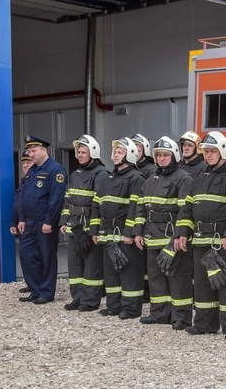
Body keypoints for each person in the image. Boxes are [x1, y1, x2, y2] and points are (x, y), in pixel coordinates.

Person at [175, 131, 226, 341]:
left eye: (212, 151)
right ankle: (204, 323)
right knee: (202, 284)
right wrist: (182, 233)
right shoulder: (198, 177)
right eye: (206, 151)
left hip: (224, 242)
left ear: (223, 151)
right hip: (200, 240)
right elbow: (187, 209)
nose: (208, 155)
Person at [133, 136, 194, 329]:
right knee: (156, 277)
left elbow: (186, 211)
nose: (161, 159)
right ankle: (159, 314)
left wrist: (180, 235)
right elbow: (141, 208)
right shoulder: (150, 180)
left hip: (171, 237)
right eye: (158, 155)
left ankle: (180, 318)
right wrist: (138, 232)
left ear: (174, 156)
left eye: (165, 155)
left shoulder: (184, 179)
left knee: (178, 278)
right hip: (152, 237)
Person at [90, 137, 146, 319]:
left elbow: (136, 207)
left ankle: (130, 309)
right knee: (111, 272)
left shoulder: (136, 178)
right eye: (114, 152)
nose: (115, 155)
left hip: (123, 234)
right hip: (107, 234)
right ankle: (114, 306)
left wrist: (130, 233)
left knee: (129, 272)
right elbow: (97, 204)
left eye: (120, 152)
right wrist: (95, 230)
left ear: (129, 155)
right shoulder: (108, 177)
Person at [60, 135, 109, 312]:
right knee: (74, 265)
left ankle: (90, 301)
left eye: (83, 152)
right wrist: (64, 221)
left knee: (92, 266)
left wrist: (92, 229)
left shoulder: (101, 174)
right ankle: (77, 298)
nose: (79, 155)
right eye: (78, 152)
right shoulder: (75, 174)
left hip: (89, 228)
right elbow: (68, 200)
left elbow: (99, 204)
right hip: (74, 227)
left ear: (93, 153)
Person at [17, 135, 68, 304]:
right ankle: (35, 289)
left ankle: (46, 293)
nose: (30, 154)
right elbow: (25, 196)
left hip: (44, 222)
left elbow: (56, 199)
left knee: (47, 257)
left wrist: (49, 221)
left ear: (44, 151)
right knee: (26, 254)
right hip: (30, 222)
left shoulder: (55, 170)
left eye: (33, 151)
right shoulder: (33, 170)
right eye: (29, 151)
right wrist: (22, 218)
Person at [11, 149, 34, 294]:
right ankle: (31, 283)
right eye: (24, 163)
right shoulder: (24, 181)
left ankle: (38, 285)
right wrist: (14, 222)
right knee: (25, 255)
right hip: (22, 224)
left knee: (34, 256)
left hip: (33, 224)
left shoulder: (36, 181)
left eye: (29, 162)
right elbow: (18, 204)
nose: (25, 165)